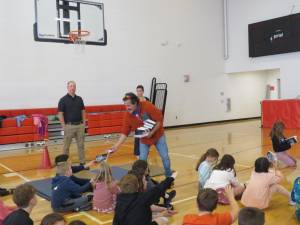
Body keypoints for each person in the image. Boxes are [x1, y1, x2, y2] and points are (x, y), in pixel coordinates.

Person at [111, 92, 172, 177]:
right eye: (125, 105)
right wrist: (116, 146)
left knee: (165, 157)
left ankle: (169, 177)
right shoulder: (127, 115)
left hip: (158, 135)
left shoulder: (147, 106)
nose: (127, 108)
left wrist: (152, 133)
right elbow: (125, 132)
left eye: (128, 105)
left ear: (135, 103)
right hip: (144, 139)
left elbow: (159, 121)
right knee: (142, 161)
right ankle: (143, 181)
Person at [113, 171, 177, 225]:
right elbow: (159, 188)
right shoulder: (143, 198)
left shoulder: (119, 200)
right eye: (144, 180)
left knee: (155, 215)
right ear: (137, 185)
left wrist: (163, 211)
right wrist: (172, 177)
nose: (146, 181)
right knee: (164, 220)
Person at [58, 81, 86, 165]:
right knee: (66, 147)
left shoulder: (79, 99)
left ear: (75, 87)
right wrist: (63, 126)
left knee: (81, 146)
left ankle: (82, 163)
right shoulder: (63, 100)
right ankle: (64, 164)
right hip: (69, 126)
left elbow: (83, 111)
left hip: (80, 126)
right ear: (68, 88)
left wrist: (84, 123)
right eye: (70, 86)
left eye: (74, 86)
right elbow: (60, 114)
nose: (72, 88)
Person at [134, 85, 150, 157]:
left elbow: (150, 109)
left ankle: (145, 152)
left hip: (146, 121)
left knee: (146, 137)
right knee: (138, 137)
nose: (138, 92)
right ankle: (137, 153)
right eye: (137, 91)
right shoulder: (135, 101)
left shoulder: (147, 99)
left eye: (140, 91)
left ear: (143, 91)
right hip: (138, 121)